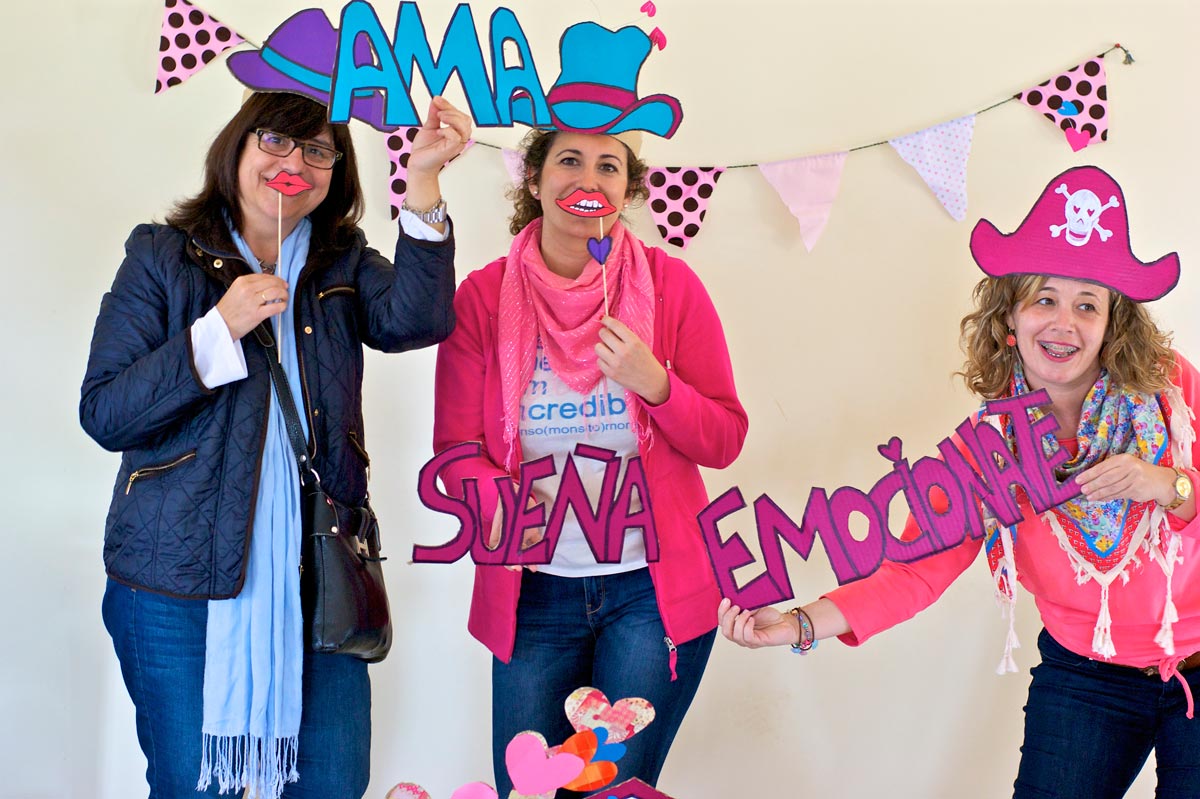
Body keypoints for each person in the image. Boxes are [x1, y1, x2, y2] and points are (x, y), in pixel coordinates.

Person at [719, 165, 1200, 799]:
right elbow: (913, 570)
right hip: (1087, 677)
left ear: (1112, 325)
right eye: (1044, 299)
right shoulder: (985, 452)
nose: (1064, 322)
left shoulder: (1170, 390)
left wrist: (1169, 486)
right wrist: (799, 624)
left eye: (1087, 305)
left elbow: (1182, 491)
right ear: (1009, 322)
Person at [80, 88, 470, 799]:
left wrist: (423, 181)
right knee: (193, 786)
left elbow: (418, 319)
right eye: (276, 140)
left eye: (318, 149)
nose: (295, 163)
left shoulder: (341, 260)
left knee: (332, 782)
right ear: (237, 146)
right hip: (174, 581)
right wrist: (217, 330)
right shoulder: (161, 256)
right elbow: (106, 413)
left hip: (320, 578)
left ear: (337, 171)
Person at [432, 127, 747, 796]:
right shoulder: (484, 298)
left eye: (609, 166)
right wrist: (499, 496)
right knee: (529, 787)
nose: (589, 179)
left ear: (627, 190)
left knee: (610, 790)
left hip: (651, 594)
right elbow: (455, 453)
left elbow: (723, 439)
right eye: (569, 160)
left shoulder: (669, 287)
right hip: (534, 594)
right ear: (534, 179)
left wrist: (656, 383)